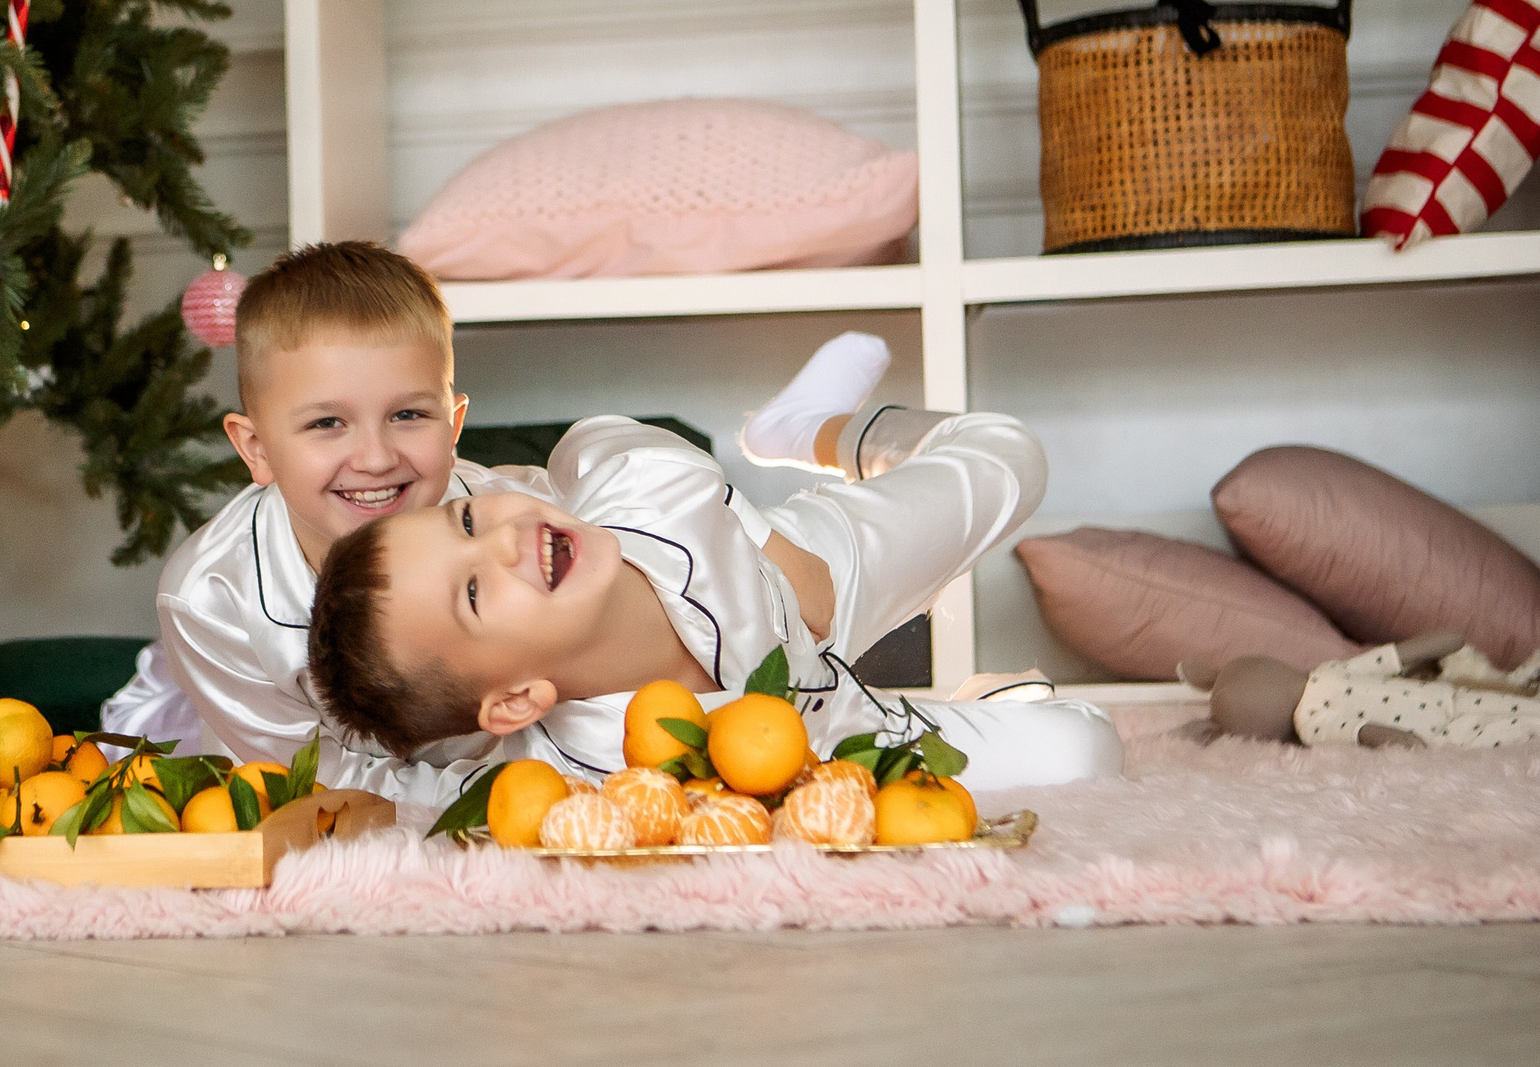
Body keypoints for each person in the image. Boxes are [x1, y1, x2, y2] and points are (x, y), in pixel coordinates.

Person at [306, 338, 1124, 796]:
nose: (505, 540)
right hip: (842, 728)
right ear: (518, 697)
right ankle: (979, 700)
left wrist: (767, 541)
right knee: (1086, 752)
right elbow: (396, 795)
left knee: (1011, 453)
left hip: (806, 573)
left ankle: (806, 426)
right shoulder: (592, 772)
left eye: (471, 519)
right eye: (476, 592)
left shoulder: (641, 494)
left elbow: (599, 438)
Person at [98, 242, 555, 806]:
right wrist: (477, 802)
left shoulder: (529, 527)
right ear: (257, 448)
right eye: (327, 423)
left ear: (454, 424)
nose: (375, 458)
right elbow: (311, 781)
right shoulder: (211, 598)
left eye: (408, 415)